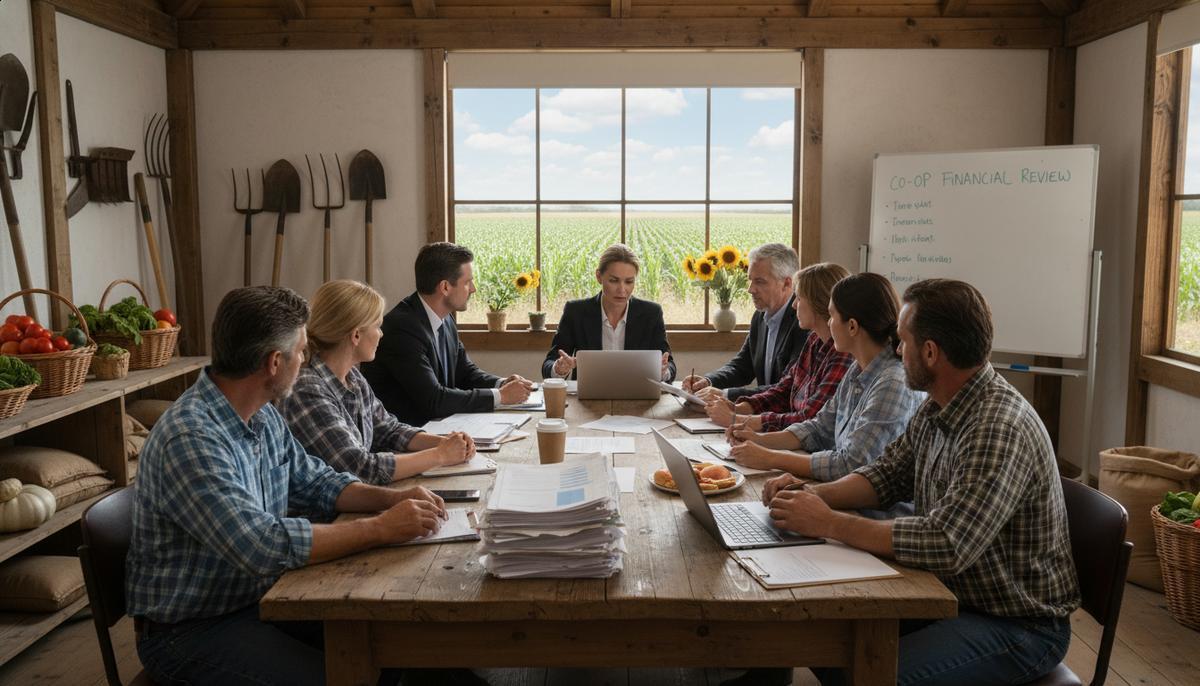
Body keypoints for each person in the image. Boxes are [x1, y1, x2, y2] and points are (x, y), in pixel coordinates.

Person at [126, 286, 464, 686]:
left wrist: (394, 498)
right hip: (191, 631)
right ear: (274, 362)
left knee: (398, 644)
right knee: (352, 674)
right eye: (302, 351)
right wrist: (380, 527)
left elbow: (318, 482)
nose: (306, 360)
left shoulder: (262, 415)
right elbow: (261, 545)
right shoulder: (192, 437)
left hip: (256, 600)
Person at [761, 279, 1079, 686]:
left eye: (903, 341)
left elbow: (947, 542)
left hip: (1016, 623)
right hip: (949, 594)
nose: (896, 350)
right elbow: (888, 474)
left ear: (930, 353)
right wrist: (809, 495)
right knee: (820, 637)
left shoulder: (997, 427)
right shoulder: (940, 403)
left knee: (861, 674)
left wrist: (829, 523)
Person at [727, 273, 924, 519]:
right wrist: (759, 440)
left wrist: (770, 458)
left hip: (872, 520)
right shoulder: (858, 368)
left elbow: (850, 464)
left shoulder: (892, 382)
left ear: (852, 326)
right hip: (844, 507)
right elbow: (820, 427)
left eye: (831, 316)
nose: (828, 323)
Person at [279, 280, 476, 485]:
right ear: (356, 335)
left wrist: (447, 443)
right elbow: (360, 468)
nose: (381, 334)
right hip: (329, 514)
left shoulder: (353, 378)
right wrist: (440, 455)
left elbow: (389, 429)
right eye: (378, 326)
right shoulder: (307, 389)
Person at [362, 242, 535, 426]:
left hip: (439, 428)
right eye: (468, 282)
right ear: (445, 287)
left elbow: (465, 372)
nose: (473, 289)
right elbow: (434, 399)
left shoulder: (445, 317)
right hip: (406, 438)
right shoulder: (402, 328)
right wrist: (501, 396)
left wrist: (501, 383)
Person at [705, 262, 853, 431]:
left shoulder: (842, 353)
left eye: (799, 297)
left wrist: (737, 419)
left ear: (818, 303)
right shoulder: (814, 340)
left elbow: (809, 419)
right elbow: (784, 389)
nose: (794, 305)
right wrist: (738, 408)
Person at [680, 243, 808, 401]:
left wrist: (725, 395)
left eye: (760, 282)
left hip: (786, 419)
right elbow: (742, 367)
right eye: (750, 280)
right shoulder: (760, 316)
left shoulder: (804, 322)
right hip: (764, 413)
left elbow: (787, 388)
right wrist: (708, 382)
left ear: (787, 283)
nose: (750, 289)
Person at [542, 243, 676, 382]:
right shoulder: (576, 312)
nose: (622, 290)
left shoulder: (651, 313)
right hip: (588, 398)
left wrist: (662, 371)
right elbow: (549, 365)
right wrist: (559, 368)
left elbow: (670, 366)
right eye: (614, 281)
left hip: (638, 397)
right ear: (599, 276)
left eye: (629, 281)